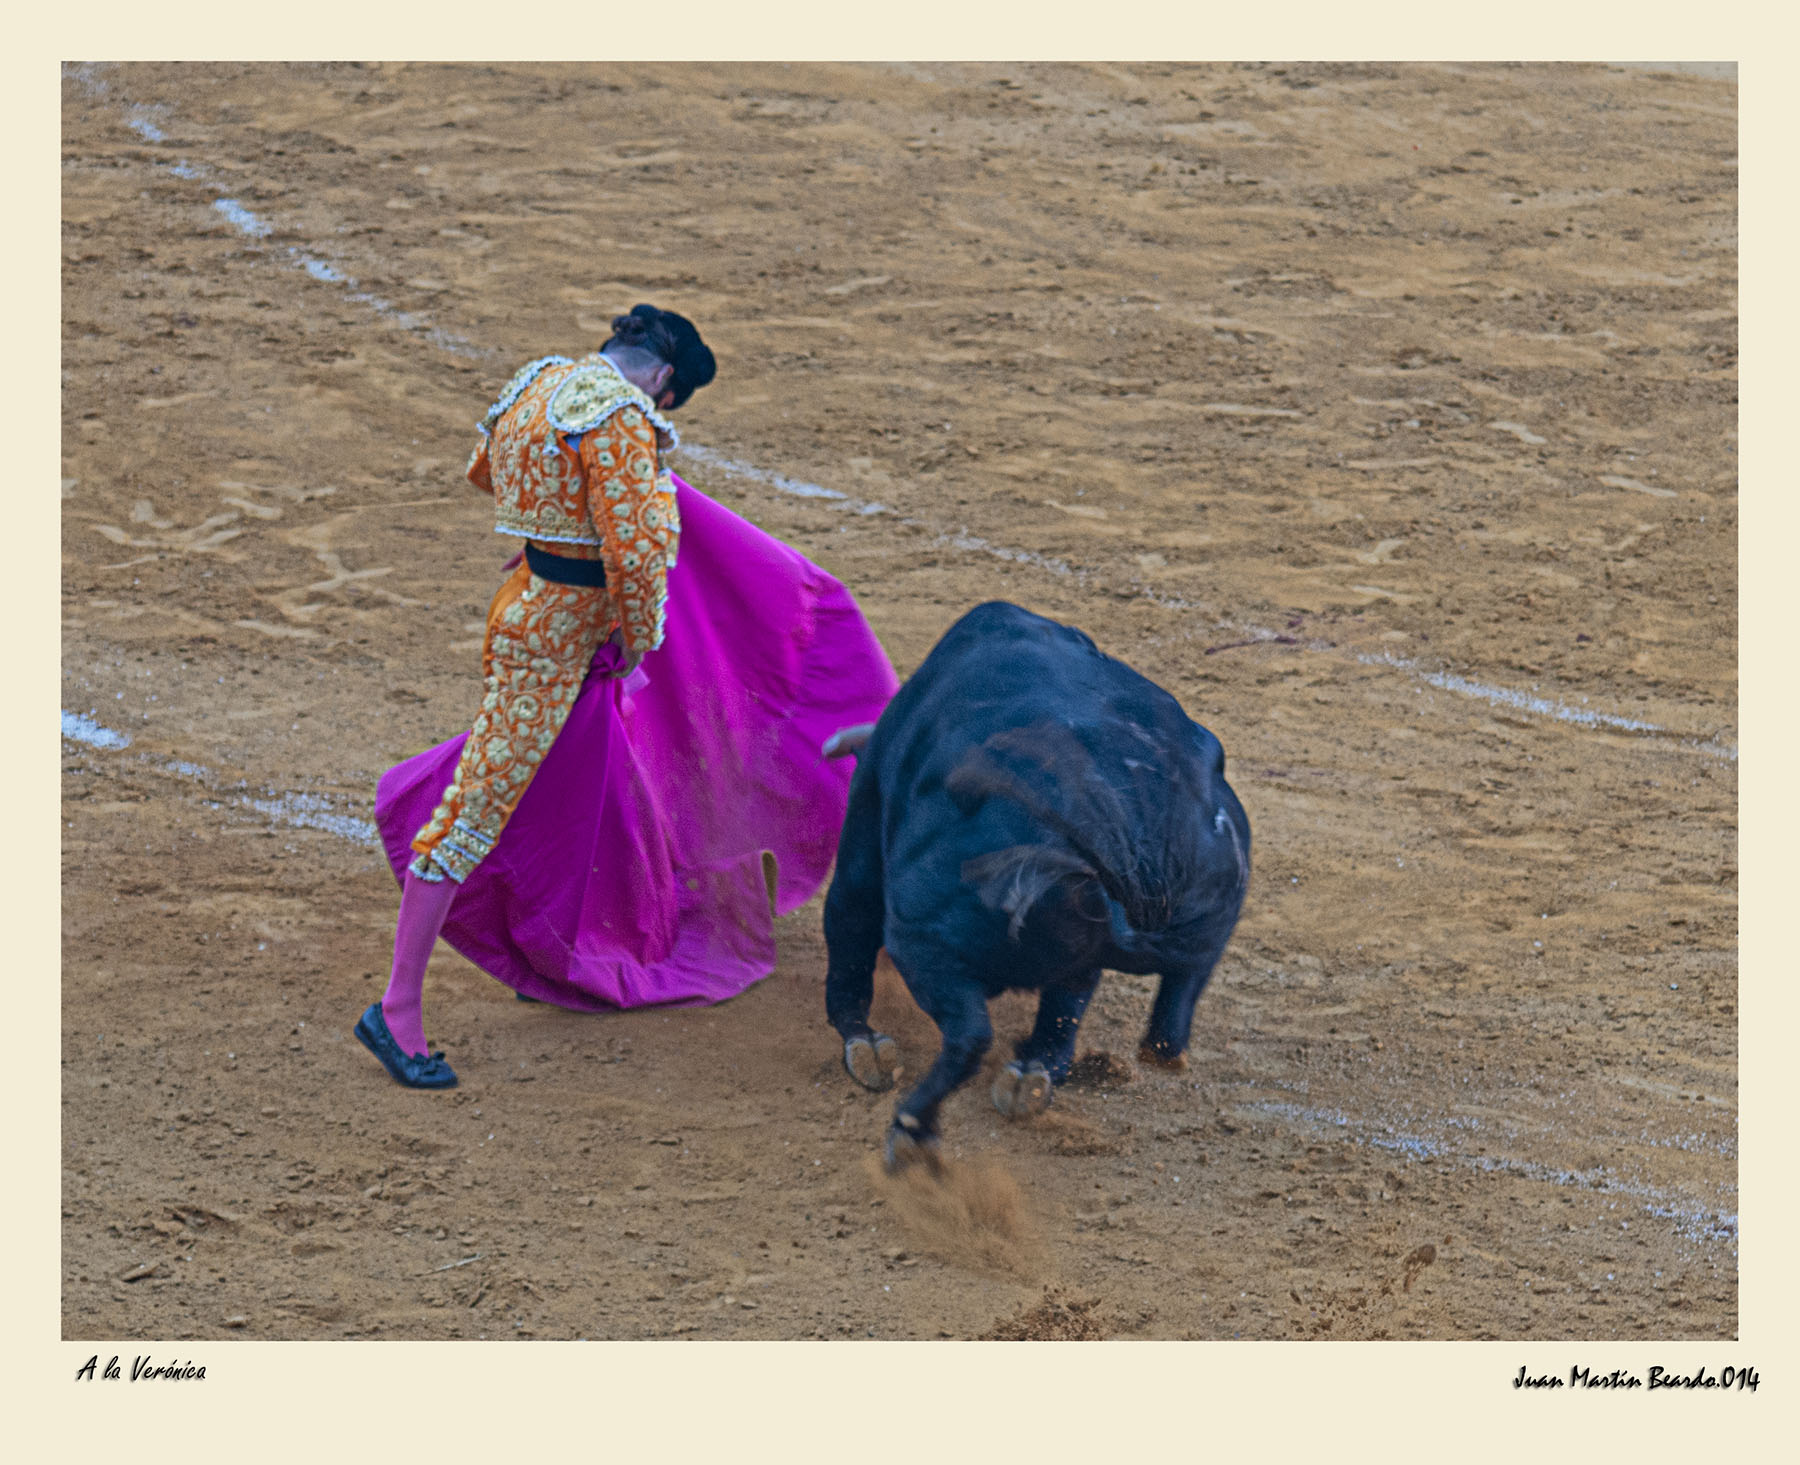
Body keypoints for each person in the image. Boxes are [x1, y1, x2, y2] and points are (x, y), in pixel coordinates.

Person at [358, 305, 898, 1087]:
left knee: (565, 784)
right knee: (473, 811)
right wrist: (639, 644)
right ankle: (397, 1009)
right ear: (665, 380)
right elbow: (638, 558)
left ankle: (548, 945)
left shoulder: (539, 382)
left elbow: (486, 471)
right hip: (559, 645)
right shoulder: (617, 416)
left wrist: (554, 532)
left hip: (526, 606)